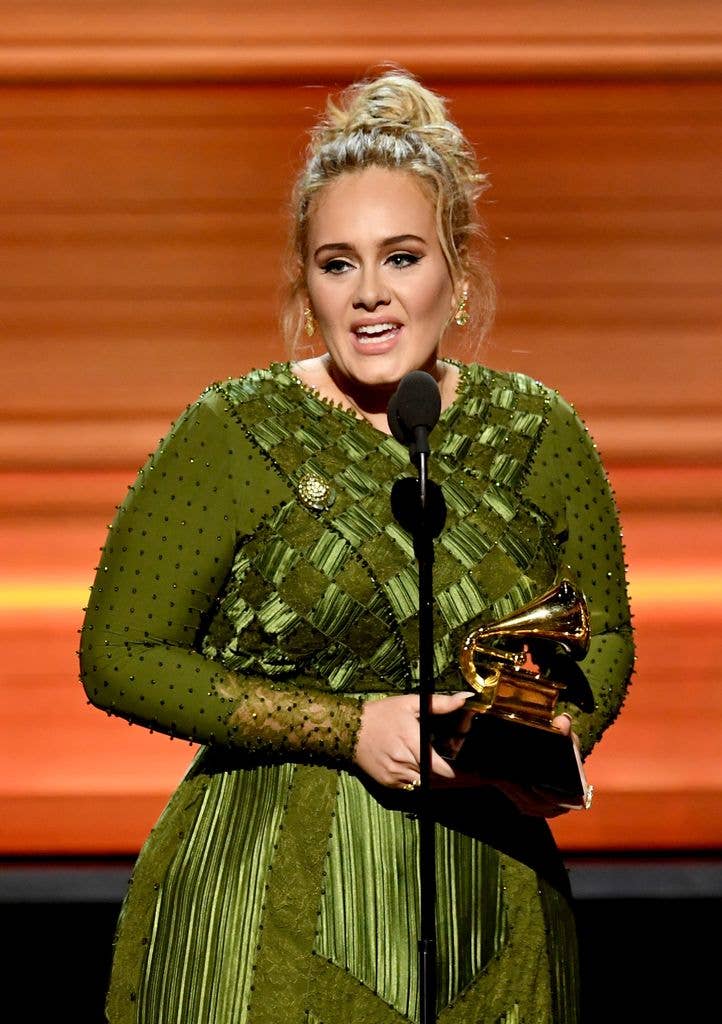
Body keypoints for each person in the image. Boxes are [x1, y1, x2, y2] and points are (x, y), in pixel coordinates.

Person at [80, 67, 635, 1024]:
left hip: (492, 906)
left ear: (457, 271)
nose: (371, 295)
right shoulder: (234, 431)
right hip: (258, 923)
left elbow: (607, 637)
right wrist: (350, 728)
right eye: (338, 264)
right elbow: (119, 656)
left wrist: (556, 748)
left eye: (403, 258)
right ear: (306, 282)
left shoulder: (539, 433)